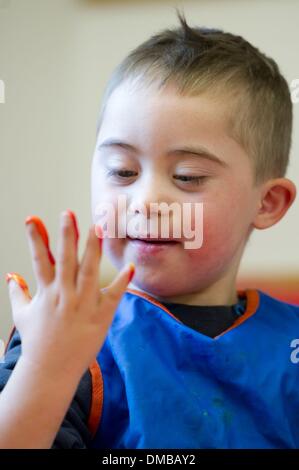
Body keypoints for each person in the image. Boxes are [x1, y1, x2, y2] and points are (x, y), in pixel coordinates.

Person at [1, 10, 299, 449]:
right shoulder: (66, 338)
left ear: (267, 203)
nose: (145, 203)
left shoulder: (289, 344)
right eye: (122, 171)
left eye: (188, 176)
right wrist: (46, 368)